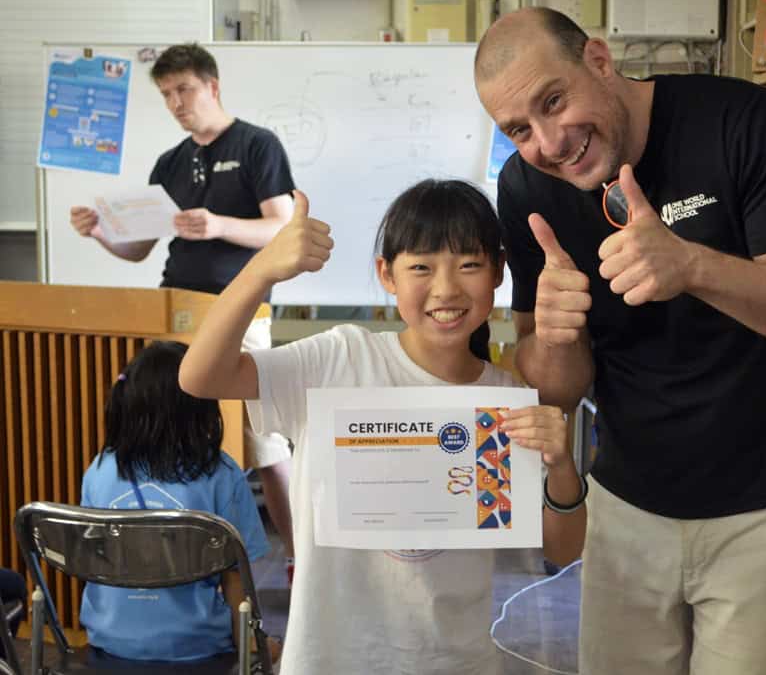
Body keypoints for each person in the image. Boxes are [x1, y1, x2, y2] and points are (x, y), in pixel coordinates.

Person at [474, 7, 766, 675]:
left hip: (763, 509)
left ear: (599, 60)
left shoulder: (742, 121)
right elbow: (555, 384)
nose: (549, 141)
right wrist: (559, 335)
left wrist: (691, 266)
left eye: (554, 101)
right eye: (519, 128)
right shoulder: (526, 187)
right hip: (626, 508)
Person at [179, 180, 587, 674]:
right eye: (420, 266)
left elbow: (564, 550)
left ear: (498, 272)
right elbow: (202, 376)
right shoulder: (340, 358)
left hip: (454, 661)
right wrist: (263, 269)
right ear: (386, 274)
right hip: (330, 659)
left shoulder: (500, 403)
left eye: (469, 264)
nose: (446, 288)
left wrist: (561, 464)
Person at [68, 43, 297, 571]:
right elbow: (139, 247)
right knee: (167, 425)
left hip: (240, 312)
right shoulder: (169, 163)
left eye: (184, 90)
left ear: (212, 86)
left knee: (262, 441)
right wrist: (101, 233)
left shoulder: (258, 144)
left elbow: (282, 227)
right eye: (167, 94)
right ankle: (171, 551)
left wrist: (219, 226)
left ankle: (297, 552)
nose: (176, 102)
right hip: (173, 312)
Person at [79, 340, 270, 662]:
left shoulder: (99, 470)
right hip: (198, 649)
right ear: (198, 406)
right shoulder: (221, 473)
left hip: (109, 643)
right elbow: (237, 577)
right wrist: (253, 645)